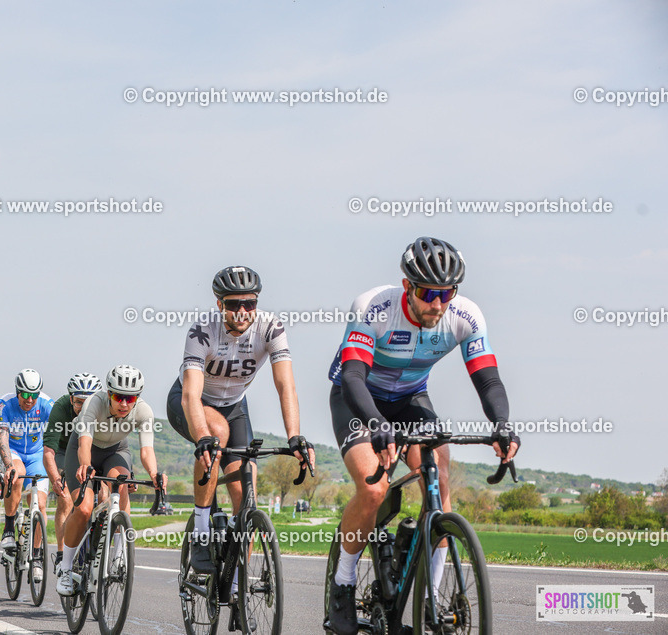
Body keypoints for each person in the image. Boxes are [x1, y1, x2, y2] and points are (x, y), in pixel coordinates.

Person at [325, 237, 519, 635]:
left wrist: (502, 423)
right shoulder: (373, 307)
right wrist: (376, 424)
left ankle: (429, 592)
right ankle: (343, 583)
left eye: (446, 293)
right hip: (359, 398)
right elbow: (353, 375)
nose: (438, 303)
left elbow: (488, 379)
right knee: (374, 489)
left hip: (411, 398)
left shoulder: (465, 315)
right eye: (429, 293)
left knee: (439, 477)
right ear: (408, 286)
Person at [167, 265, 313, 574]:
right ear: (219, 304)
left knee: (246, 497)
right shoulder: (202, 330)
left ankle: (237, 581)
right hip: (191, 404)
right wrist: (204, 436)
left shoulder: (270, 328)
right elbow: (191, 396)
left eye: (250, 303)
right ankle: (202, 532)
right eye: (234, 304)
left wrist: (294, 436)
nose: (243, 311)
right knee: (216, 434)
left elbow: (285, 385)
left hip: (234, 406)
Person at [56, 365, 166, 596]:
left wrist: (155, 474)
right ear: (108, 394)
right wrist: (85, 466)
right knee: (84, 509)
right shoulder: (93, 403)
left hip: (116, 450)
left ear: (137, 397)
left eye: (130, 398)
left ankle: (118, 555)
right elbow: (84, 442)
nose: (124, 404)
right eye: (118, 397)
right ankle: (65, 568)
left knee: (122, 485)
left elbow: (146, 451)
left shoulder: (144, 412)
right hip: (83, 448)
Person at [0, 369, 54, 584]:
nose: (29, 400)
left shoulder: (47, 404)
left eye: (34, 395)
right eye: (25, 395)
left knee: (41, 504)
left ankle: (36, 556)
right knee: (17, 474)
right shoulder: (4, 404)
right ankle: (9, 527)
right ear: (17, 391)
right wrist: (9, 465)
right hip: (12, 450)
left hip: (36, 454)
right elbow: (2, 436)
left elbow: (61, 434)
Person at [43, 372, 102, 572]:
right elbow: (49, 452)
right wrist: (56, 479)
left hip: (91, 451)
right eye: (78, 402)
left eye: (88, 402)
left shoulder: (102, 408)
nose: (84, 407)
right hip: (63, 450)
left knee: (103, 495)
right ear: (70, 399)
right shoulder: (60, 409)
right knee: (67, 497)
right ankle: (62, 554)